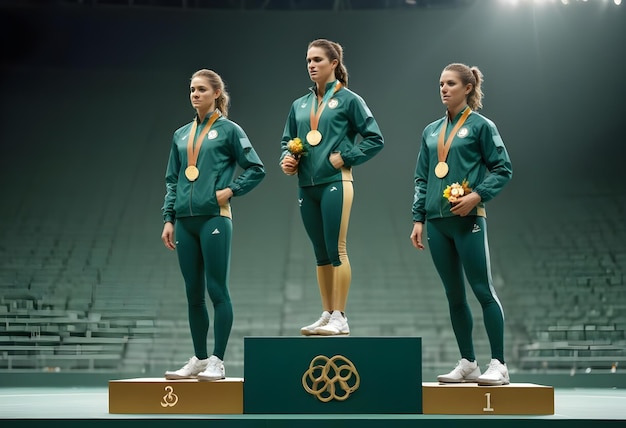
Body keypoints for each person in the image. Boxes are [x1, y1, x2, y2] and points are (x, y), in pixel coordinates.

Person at [410, 63, 513, 386]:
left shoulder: (482, 126)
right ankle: (468, 362)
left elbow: (502, 168)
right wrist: (418, 218)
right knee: (454, 296)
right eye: (441, 83)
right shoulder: (430, 131)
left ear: (468, 88)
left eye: (451, 83)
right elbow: (422, 177)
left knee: (482, 290)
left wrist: (477, 196)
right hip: (438, 222)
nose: (443, 89)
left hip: (468, 220)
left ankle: (499, 363)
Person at [161, 69, 265, 381]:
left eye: (201, 90)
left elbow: (256, 168)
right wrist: (168, 218)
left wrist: (231, 190)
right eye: (192, 89)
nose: (195, 94)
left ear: (216, 93)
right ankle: (199, 359)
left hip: (215, 219)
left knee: (216, 290)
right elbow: (172, 181)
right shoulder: (180, 135)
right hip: (184, 223)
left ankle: (218, 361)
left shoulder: (230, 130)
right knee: (193, 293)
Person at [280, 39, 384, 336]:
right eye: (308, 60)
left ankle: (341, 316)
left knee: (337, 249)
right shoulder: (299, 105)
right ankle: (326, 314)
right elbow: (286, 141)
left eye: (317, 60)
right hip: (306, 186)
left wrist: (346, 157)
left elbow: (375, 138)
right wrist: (287, 159)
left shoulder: (350, 99)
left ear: (334, 64)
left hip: (336, 183)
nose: (311, 65)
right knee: (320, 252)